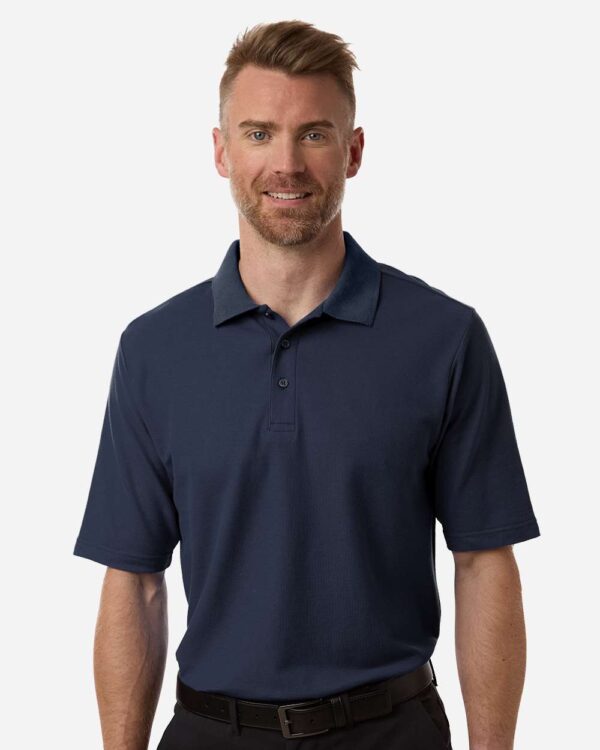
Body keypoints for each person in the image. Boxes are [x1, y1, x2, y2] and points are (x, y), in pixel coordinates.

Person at [73, 19, 541, 750]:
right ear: (222, 151)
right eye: (259, 134)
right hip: (211, 733)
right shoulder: (154, 350)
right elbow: (134, 581)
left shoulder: (444, 338)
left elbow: (483, 562)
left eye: (314, 134)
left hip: (393, 733)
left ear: (353, 151)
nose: (285, 164)